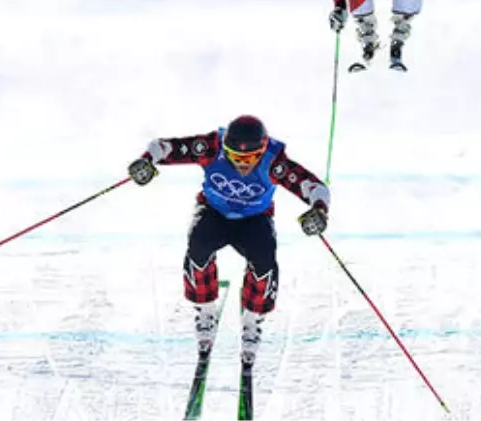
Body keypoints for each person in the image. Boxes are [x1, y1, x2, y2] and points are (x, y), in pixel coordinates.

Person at [126, 115, 331, 365]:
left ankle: (253, 320)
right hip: (214, 211)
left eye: (249, 159)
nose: (242, 164)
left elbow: (313, 186)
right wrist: (146, 161)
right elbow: (164, 147)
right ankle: (205, 310)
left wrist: (319, 209)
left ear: (262, 151)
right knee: (197, 246)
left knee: (265, 257)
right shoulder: (212, 147)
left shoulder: (274, 162)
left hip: (254, 218)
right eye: (235, 157)